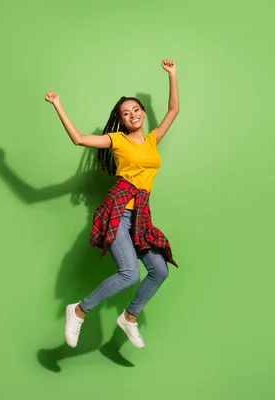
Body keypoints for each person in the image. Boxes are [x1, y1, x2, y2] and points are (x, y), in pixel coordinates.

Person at [44, 59, 179, 350]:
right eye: (125, 113)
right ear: (120, 120)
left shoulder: (153, 140)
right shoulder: (117, 140)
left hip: (141, 216)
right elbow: (79, 139)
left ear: (142, 113)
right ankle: (79, 309)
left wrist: (172, 75)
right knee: (130, 273)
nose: (132, 115)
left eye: (136, 110)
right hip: (118, 212)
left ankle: (130, 318)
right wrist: (58, 105)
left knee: (160, 271)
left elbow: (173, 110)